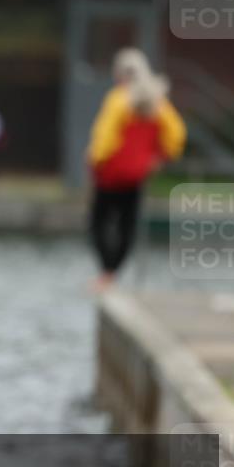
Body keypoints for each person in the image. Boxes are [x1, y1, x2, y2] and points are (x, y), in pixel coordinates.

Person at [87, 48, 186, 292]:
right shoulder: (157, 102)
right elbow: (176, 134)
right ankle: (112, 273)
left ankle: (107, 273)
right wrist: (160, 157)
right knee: (128, 225)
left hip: (110, 175)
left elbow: (104, 139)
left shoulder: (118, 99)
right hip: (137, 174)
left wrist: (94, 161)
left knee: (99, 222)